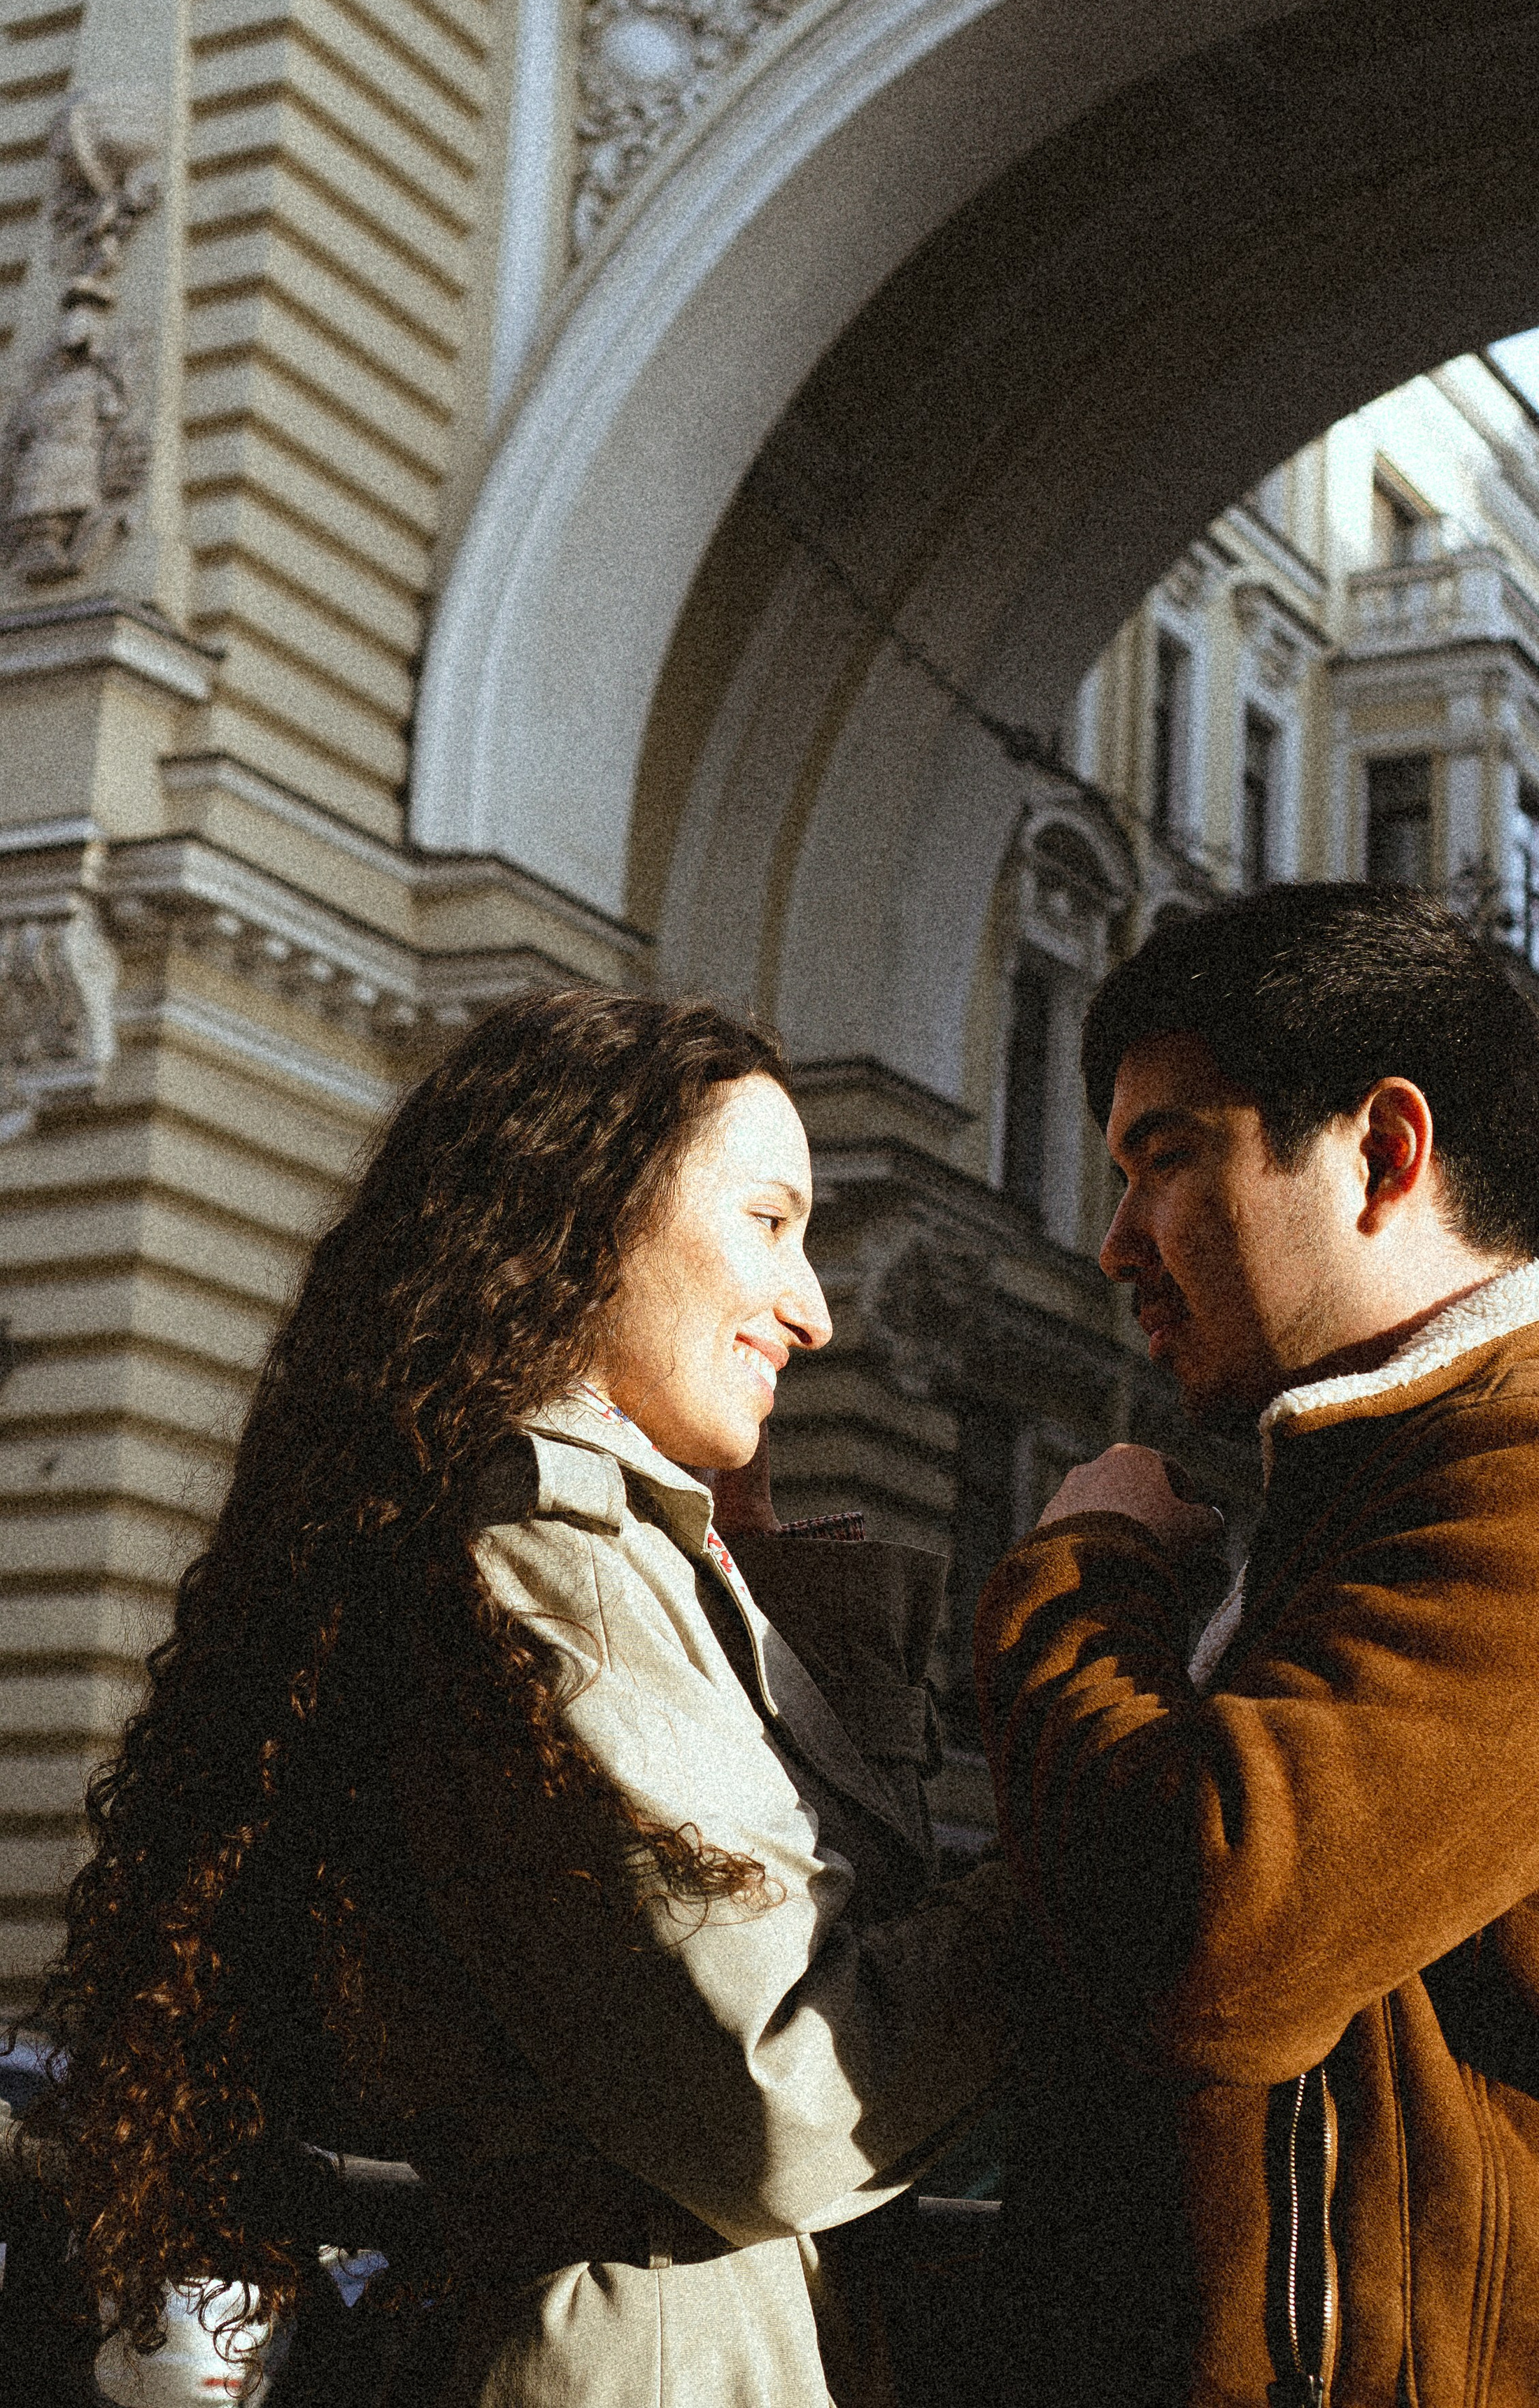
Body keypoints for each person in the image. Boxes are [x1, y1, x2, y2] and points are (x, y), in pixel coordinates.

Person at [25, 990, 1014, 2407]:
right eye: (767, 1222)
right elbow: (774, 2110)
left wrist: (761, 1599)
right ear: (590, 1215)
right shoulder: (548, 1553)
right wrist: (1093, 1862)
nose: (812, 1310)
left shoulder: (554, 1541)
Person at [974, 882, 1539, 2407]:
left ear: (1381, 1150)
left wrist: (1079, 1577)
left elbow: (1210, 1935)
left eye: (1166, 1160)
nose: (1113, 1245)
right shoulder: (1375, 1484)